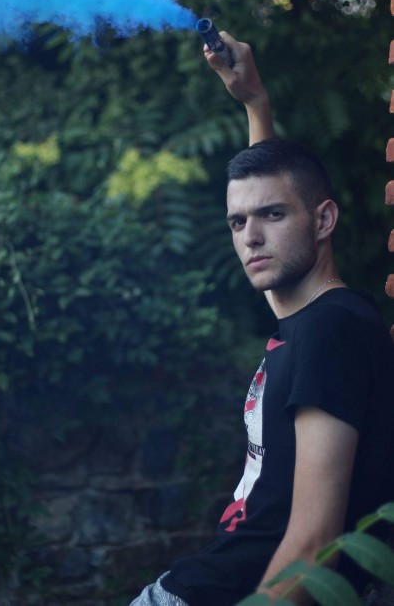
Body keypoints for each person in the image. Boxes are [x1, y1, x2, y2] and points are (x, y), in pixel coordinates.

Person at [129, 32, 394, 606]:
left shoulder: (332, 329)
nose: (249, 237)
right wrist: (255, 104)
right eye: (236, 222)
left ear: (324, 221)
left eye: (271, 216)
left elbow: (314, 543)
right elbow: (277, 189)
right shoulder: (305, 317)